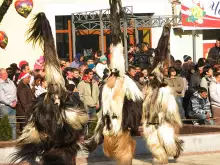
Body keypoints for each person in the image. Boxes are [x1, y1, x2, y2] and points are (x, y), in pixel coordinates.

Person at [0, 68, 17, 139]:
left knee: (13, 124)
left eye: (6, 73)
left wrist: (16, 100)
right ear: (0, 75)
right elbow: (2, 97)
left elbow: (15, 90)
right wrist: (10, 103)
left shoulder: (10, 81)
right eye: (4, 73)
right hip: (4, 107)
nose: (6, 74)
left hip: (13, 106)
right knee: (6, 125)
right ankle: (6, 142)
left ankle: (13, 140)